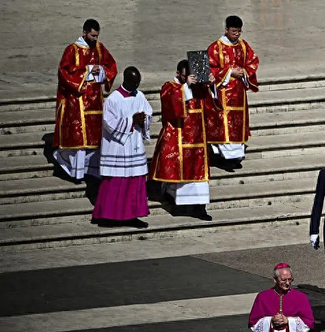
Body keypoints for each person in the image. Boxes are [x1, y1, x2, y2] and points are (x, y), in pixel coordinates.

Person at [53, 19, 117, 181]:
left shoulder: (100, 48)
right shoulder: (71, 50)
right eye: (92, 35)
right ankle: (76, 172)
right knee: (79, 139)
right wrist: (87, 71)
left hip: (95, 100)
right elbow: (64, 73)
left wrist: (101, 70)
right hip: (77, 101)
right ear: (84, 32)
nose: (95, 39)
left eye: (97, 36)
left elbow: (111, 66)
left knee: (95, 139)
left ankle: (92, 172)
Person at [150, 60, 215, 221]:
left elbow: (212, 106)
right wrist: (185, 86)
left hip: (198, 140)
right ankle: (181, 206)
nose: (190, 79)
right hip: (179, 138)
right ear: (179, 74)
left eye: (191, 76)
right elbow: (170, 107)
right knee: (180, 176)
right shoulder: (170, 87)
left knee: (199, 177)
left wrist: (211, 85)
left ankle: (200, 207)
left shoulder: (199, 87)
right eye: (186, 76)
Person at [91, 67, 153, 229]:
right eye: (134, 82)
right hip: (118, 148)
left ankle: (132, 216)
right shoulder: (113, 99)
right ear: (126, 80)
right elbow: (108, 123)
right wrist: (131, 121)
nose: (137, 86)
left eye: (138, 82)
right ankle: (108, 217)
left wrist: (144, 119)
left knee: (135, 183)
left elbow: (148, 112)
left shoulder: (140, 96)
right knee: (115, 183)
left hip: (134, 146)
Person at [206, 15, 259, 171]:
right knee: (225, 126)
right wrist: (229, 72)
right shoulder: (215, 47)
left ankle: (236, 157)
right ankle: (225, 158)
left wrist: (244, 72)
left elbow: (252, 62)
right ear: (226, 30)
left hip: (239, 95)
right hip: (223, 95)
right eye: (234, 31)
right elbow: (210, 68)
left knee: (237, 125)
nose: (236, 34)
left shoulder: (243, 46)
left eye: (239, 31)